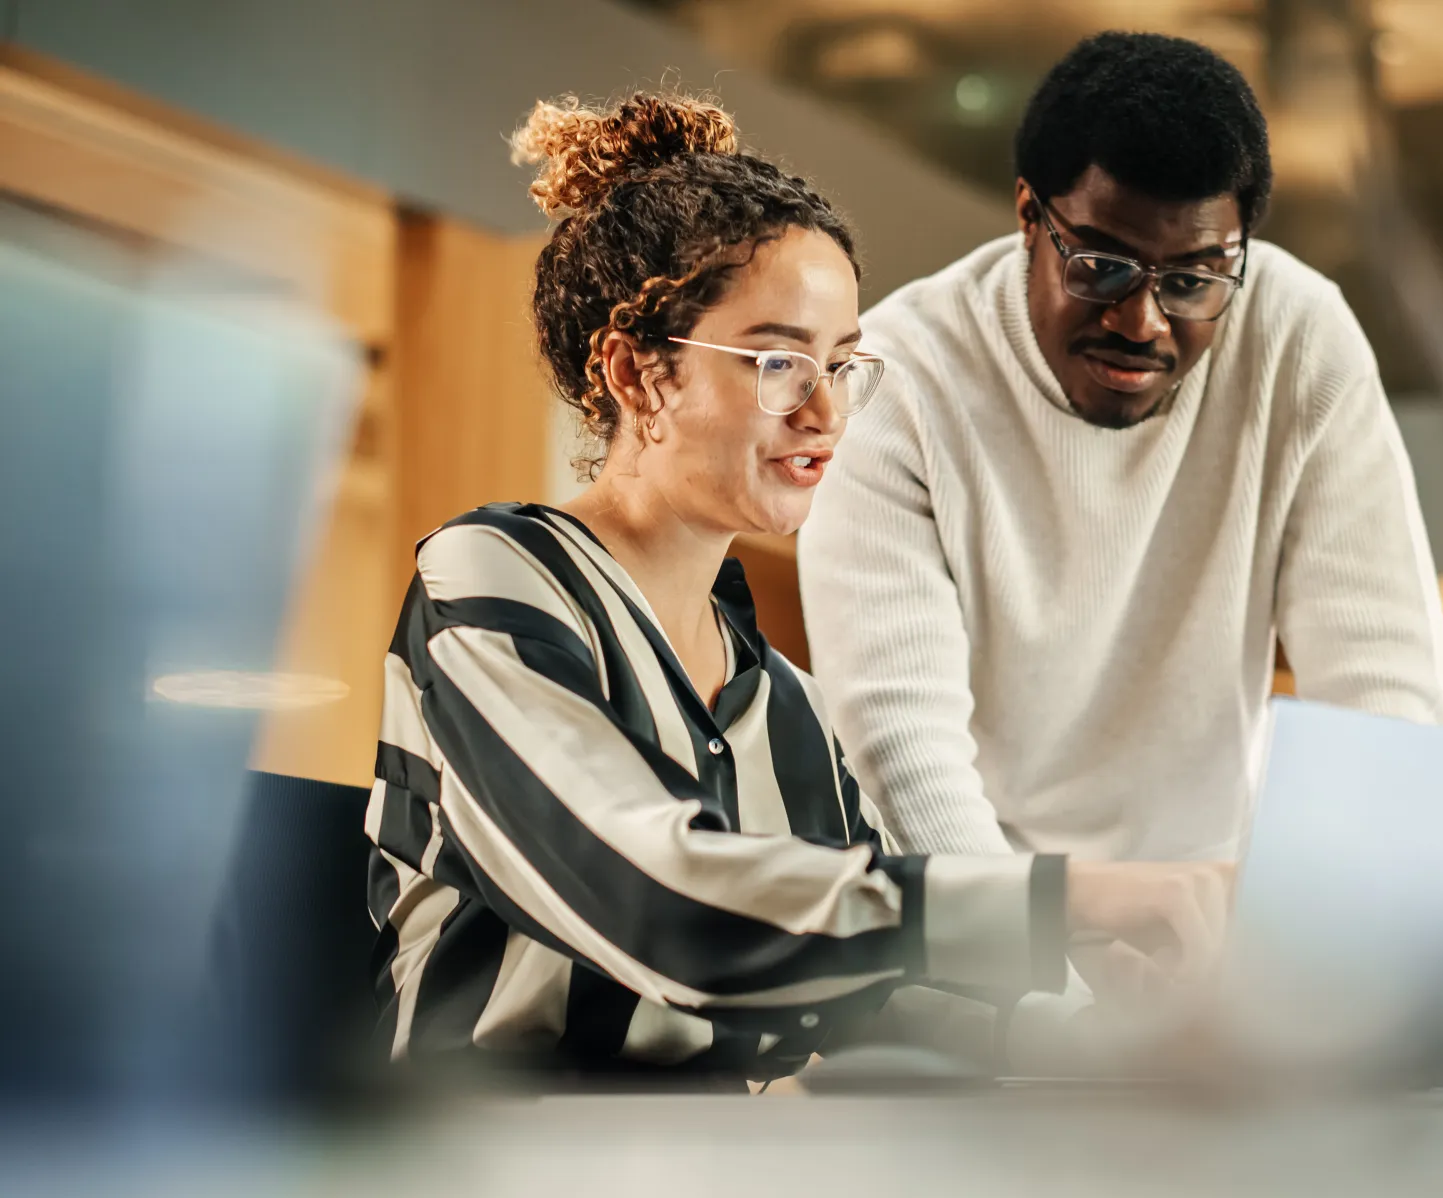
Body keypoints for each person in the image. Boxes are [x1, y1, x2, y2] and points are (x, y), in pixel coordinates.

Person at [363, 92, 1227, 1087]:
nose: (825, 411)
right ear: (639, 377)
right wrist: (1060, 901)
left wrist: (1112, 1042)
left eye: (844, 365)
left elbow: (866, 992)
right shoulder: (492, 579)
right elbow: (663, 908)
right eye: (778, 360)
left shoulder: (785, 704)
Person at [799, 32, 1443, 862]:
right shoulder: (900, 382)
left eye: (1191, 281)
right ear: (1029, 217)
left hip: (1211, 894)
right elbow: (901, 754)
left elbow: (1387, 696)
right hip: (987, 906)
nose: (1142, 324)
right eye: (1103, 268)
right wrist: (1043, 969)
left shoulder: (1298, 338)